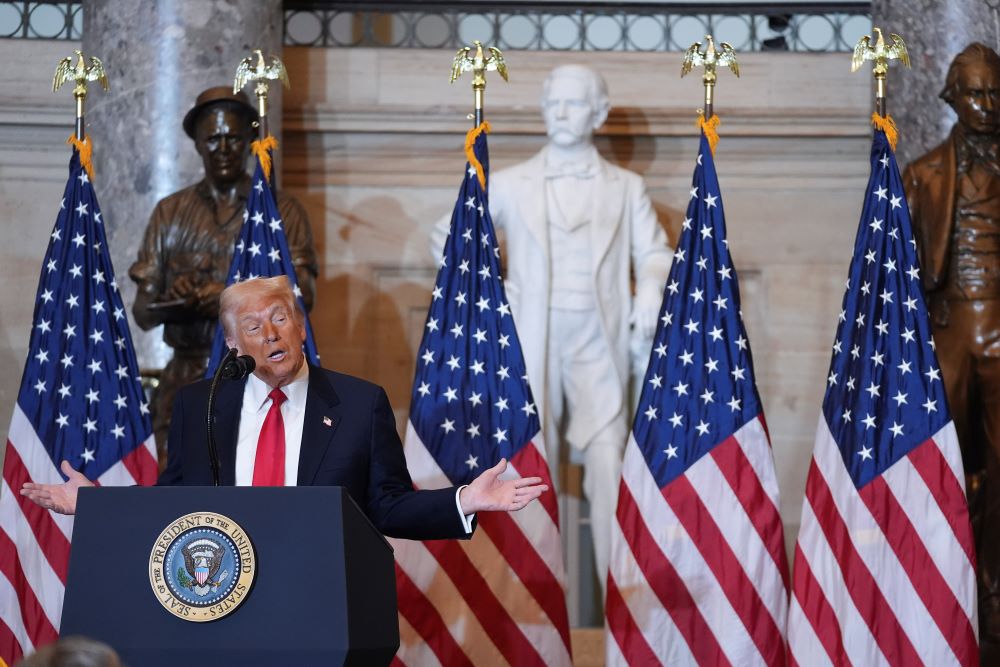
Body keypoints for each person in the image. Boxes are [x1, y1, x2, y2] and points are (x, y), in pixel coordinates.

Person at [21, 277, 547, 539]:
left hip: (318, 597)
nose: (271, 334)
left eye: (280, 318)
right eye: (253, 327)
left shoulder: (359, 404)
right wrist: (99, 505)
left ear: (300, 327)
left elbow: (385, 505)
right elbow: (176, 500)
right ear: (232, 344)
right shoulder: (198, 406)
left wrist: (464, 501)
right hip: (219, 595)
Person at [432, 64, 672, 591]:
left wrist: (652, 286)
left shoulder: (627, 188)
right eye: (554, 103)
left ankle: (623, 603)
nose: (562, 113)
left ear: (600, 113)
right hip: (528, 344)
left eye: (575, 103)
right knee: (526, 467)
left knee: (609, 463)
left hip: (598, 343)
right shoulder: (511, 184)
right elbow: (449, 238)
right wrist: (477, 266)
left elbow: (656, 253)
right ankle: (527, 608)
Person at [129, 86, 318, 462]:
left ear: (250, 139)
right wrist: (178, 299)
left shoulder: (283, 211)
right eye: (213, 139)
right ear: (198, 145)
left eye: (234, 138)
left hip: (261, 374)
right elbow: (143, 313)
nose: (224, 148)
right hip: (187, 374)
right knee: (178, 490)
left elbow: (304, 298)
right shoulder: (170, 213)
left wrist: (219, 295)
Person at [902, 42, 1000, 659]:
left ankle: (992, 590)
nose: (986, 105)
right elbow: (902, 270)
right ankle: (941, 584)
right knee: (941, 464)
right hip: (949, 331)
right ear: (950, 98)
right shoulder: (923, 174)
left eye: (995, 93)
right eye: (973, 92)